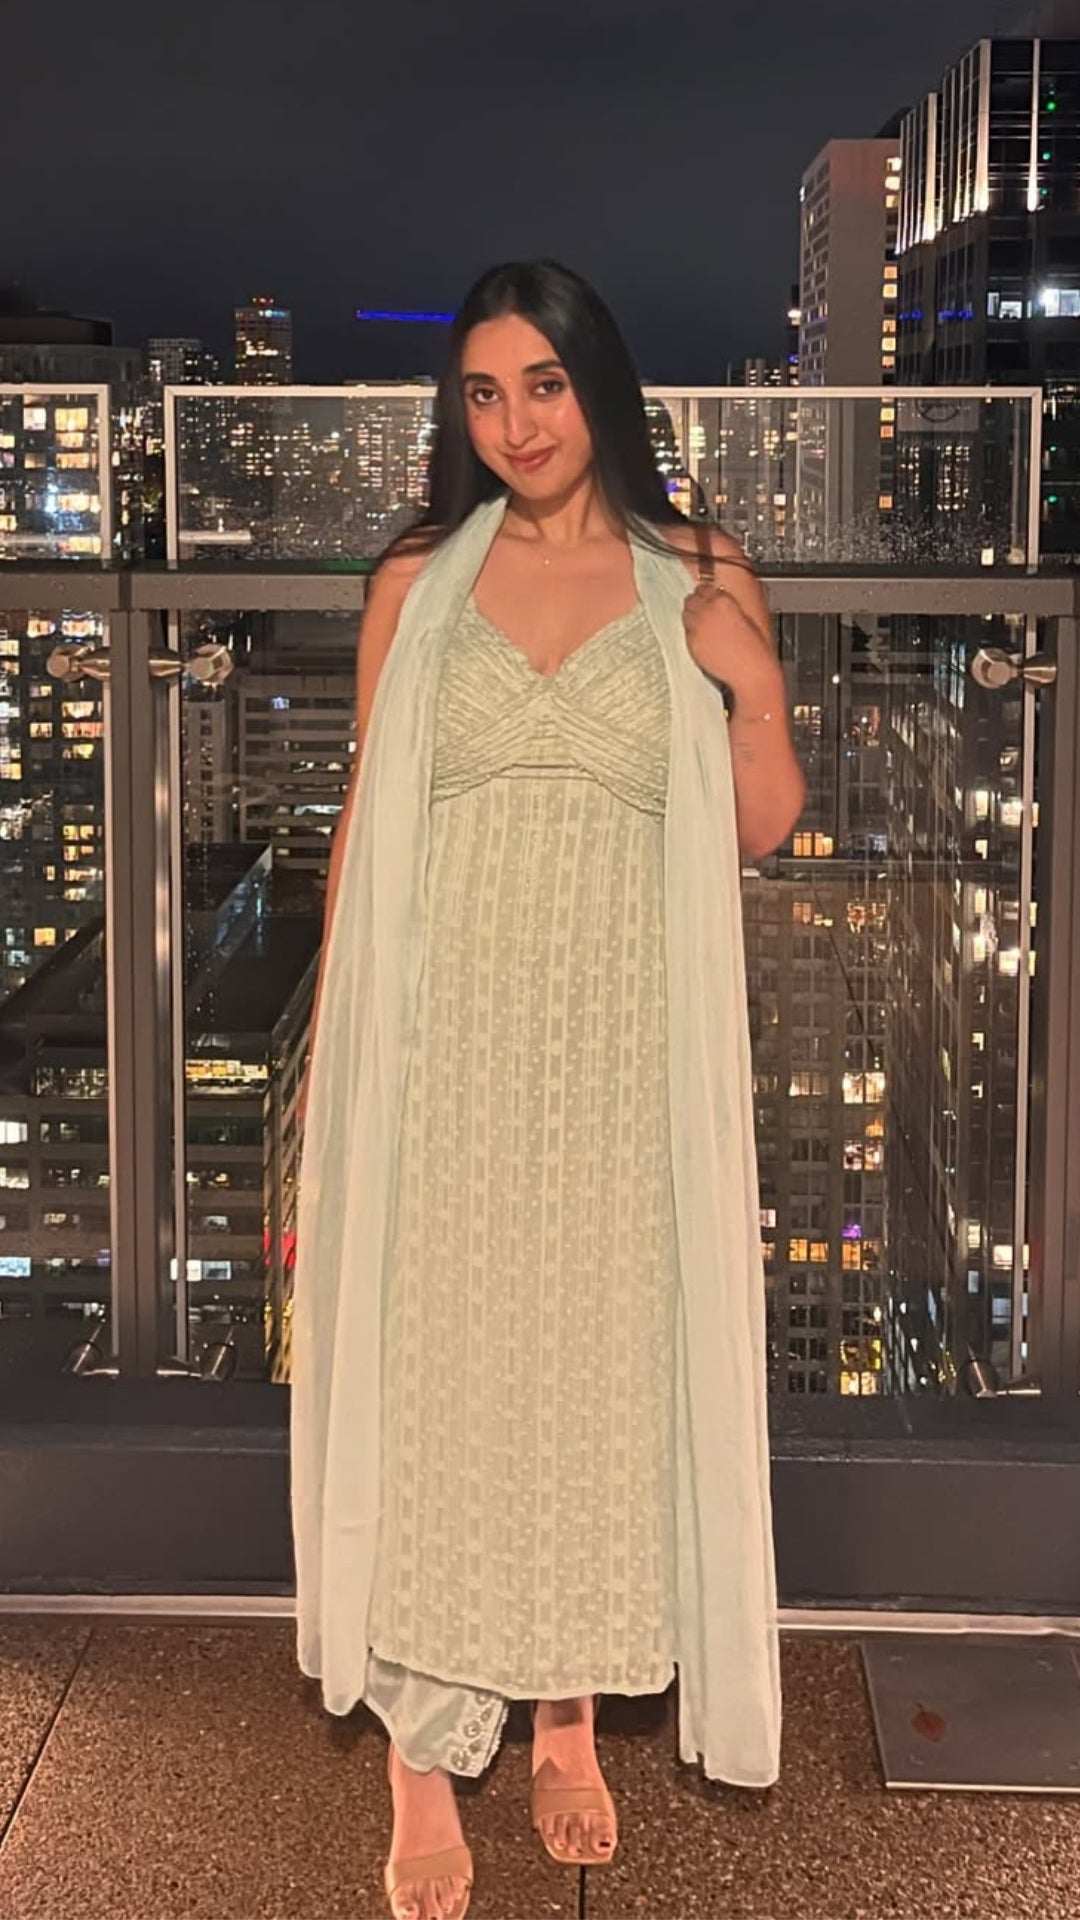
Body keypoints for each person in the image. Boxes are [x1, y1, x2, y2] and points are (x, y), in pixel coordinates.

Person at [290, 259, 806, 1920]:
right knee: (441, 1377)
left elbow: (760, 822)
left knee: (590, 1376)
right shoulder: (417, 579)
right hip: (442, 1043)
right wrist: (327, 1066)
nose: (515, 423)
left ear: (602, 389)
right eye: (484, 393)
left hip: (616, 1058)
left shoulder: (698, 570)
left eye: (544, 384)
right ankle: (421, 1753)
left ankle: (567, 1716)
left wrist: (752, 680)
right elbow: (366, 824)